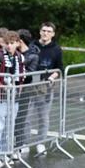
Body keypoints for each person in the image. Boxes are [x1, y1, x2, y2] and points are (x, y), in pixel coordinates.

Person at [0, 30, 25, 167]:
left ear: (18, 44)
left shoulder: (20, 58)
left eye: (12, 43)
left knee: (8, 128)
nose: (9, 46)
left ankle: (3, 153)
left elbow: (22, 74)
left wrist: (19, 87)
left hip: (13, 98)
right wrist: (1, 86)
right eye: (7, 43)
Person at [29, 22, 62, 155]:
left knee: (43, 117)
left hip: (46, 87)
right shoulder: (32, 46)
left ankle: (40, 143)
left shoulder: (56, 49)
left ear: (53, 34)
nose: (45, 33)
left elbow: (60, 69)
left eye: (49, 31)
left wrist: (52, 78)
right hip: (30, 85)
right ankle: (24, 143)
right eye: (44, 30)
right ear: (40, 31)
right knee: (25, 117)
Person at [15, 29, 39, 154]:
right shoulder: (13, 52)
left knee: (21, 118)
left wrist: (17, 74)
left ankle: (19, 145)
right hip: (12, 90)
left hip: (25, 90)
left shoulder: (33, 55)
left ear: (20, 41)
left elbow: (30, 73)